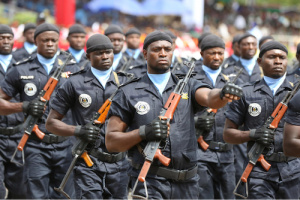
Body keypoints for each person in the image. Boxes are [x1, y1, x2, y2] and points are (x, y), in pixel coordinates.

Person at [105, 30, 243, 199]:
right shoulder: (128, 92)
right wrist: (143, 132)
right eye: (157, 49)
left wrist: (223, 94)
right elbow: (111, 142)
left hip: (188, 183)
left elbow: (209, 97)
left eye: (167, 49)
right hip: (149, 181)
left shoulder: (187, 85)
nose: (163, 53)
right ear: (145, 54)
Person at [0, 23, 80, 199]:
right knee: (36, 195)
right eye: (45, 40)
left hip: (67, 144)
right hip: (35, 144)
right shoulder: (21, 68)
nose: (50, 44)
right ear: (35, 41)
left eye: (53, 40)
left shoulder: (74, 68)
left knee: (66, 195)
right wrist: (23, 106)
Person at [223, 41, 300, 199]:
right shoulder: (245, 92)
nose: (278, 61)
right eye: (272, 57)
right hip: (258, 172)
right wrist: (253, 134)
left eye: (282, 57)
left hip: (293, 171)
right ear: (259, 62)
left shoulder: (297, 92)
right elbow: (228, 134)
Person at [194, 34, 236, 199]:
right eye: (212, 53)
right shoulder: (192, 79)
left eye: (220, 53)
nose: (217, 57)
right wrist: (195, 122)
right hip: (200, 152)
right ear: (202, 54)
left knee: (228, 196)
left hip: (226, 152)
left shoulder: (229, 80)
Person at [0, 24, 26, 199]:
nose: (5, 41)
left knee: (20, 190)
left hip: (19, 134)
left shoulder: (24, 65)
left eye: (9, 37)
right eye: (1, 37)